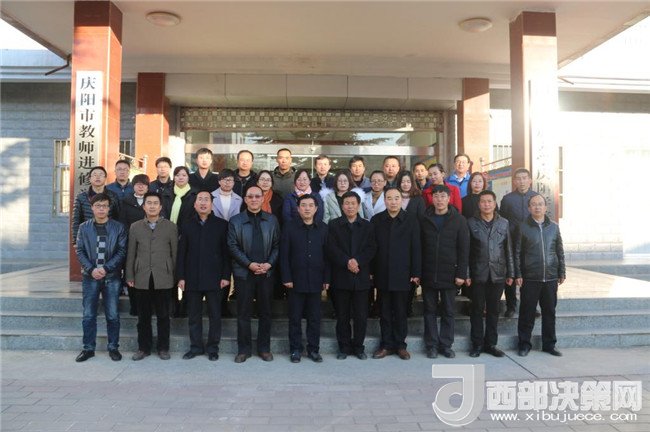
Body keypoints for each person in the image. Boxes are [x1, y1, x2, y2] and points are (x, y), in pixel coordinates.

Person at [227, 185, 281, 363]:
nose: (254, 199)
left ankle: (264, 349)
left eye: (257, 196)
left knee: (265, 312)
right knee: (243, 313)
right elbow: (232, 246)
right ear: (245, 199)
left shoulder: (272, 220)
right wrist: (249, 264)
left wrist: (269, 264)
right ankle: (244, 350)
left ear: (262, 198)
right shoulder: (236, 221)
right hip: (244, 273)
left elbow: (277, 245)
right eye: (250, 196)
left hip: (266, 273)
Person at [177, 191, 231, 361]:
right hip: (192, 277)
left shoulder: (222, 225)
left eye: (206, 200)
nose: (203, 203)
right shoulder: (187, 225)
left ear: (211, 204)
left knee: (215, 315)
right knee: (194, 315)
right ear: (194, 204)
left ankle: (213, 348)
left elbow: (226, 253)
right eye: (199, 200)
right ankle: (196, 347)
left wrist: (225, 276)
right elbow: (181, 253)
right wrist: (181, 277)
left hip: (215, 277)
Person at [74, 193, 127, 362]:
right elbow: (80, 251)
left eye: (104, 206)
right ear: (92, 208)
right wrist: (91, 269)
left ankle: (113, 347)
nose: (101, 209)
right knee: (89, 314)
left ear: (109, 208)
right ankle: (88, 348)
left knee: (112, 314)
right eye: (98, 206)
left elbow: (122, 251)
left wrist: (105, 268)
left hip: (111, 276)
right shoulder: (84, 227)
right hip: (90, 277)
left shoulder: (118, 227)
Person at [126, 192, 178, 361]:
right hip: (141, 276)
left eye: (156, 203)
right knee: (143, 316)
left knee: (163, 316)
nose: (152, 206)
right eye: (149, 203)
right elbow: (131, 253)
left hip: (164, 276)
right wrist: (129, 275)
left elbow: (175, 253)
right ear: (144, 206)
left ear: (161, 207)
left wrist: (176, 276)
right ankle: (143, 348)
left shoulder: (170, 227)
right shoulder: (135, 227)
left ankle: (163, 348)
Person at [370, 188, 421, 360]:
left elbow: (416, 247)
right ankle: (386, 345)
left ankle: (400, 345)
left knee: (400, 311)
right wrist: (371, 271)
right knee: (384, 311)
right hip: (382, 272)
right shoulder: (377, 220)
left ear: (401, 200)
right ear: (384, 200)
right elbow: (372, 247)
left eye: (396, 198)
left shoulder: (411, 220)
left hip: (403, 273)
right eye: (389, 198)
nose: (393, 202)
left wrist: (416, 272)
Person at [419, 185, 469, 359]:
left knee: (448, 311)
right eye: (436, 196)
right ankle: (431, 345)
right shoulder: (424, 219)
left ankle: (446, 345)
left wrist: (461, 273)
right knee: (429, 311)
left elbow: (464, 249)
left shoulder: (459, 220)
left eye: (443, 196)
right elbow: (419, 247)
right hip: (429, 272)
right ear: (432, 199)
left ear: (449, 198)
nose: (439, 200)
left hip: (450, 273)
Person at [327, 191, 377, 360]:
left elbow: (372, 248)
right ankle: (344, 347)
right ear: (342, 206)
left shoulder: (367, 225)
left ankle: (359, 347)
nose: (350, 206)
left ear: (358, 205)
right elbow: (331, 248)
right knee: (342, 316)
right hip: (341, 276)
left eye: (353, 203)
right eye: (346, 203)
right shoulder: (333, 225)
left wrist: (357, 261)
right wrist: (347, 261)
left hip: (361, 276)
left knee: (361, 316)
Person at [280, 194, 330, 363]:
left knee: (314, 318)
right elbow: (284, 255)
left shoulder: (323, 228)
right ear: (298, 208)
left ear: (316, 209)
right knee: (294, 318)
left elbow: (327, 256)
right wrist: (286, 277)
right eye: (303, 205)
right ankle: (295, 350)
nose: (307, 208)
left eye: (310, 205)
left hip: (316, 280)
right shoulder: (289, 227)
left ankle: (313, 349)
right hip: (295, 280)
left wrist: (327, 278)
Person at [515, 195, 566, 357]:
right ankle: (524, 344)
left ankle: (549, 345)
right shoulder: (522, 227)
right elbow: (517, 252)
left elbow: (559, 251)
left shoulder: (554, 227)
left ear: (545, 207)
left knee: (549, 312)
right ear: (529, 208)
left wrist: (561, 272)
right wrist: (518, 273)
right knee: (527, 313)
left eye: (540, 204)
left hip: (550, 277)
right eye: (534, 204)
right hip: (530, 277)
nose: (537, 207)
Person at [466, 190, 514, 358]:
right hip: (478, 273)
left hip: (498, 273)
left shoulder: (504, 223)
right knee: (477, 310)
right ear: (478, 204)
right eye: (483, 201)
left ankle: (491, 344)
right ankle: (477, 344)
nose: (486, 204)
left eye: (489, 201)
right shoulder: (471, 223)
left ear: (495, 204)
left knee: (494, 311)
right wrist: (467, 274)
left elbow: (508, 250)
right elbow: (466, 251)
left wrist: (511, 273)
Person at [499, 168, 539, 318]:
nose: (522, 181)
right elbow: (502, 220)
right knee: (510, 274)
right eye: (518, 178)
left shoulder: (536, 198)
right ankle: (511, 306)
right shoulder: (507, 199)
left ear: (530, 180)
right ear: (514, 181)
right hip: (512, 242)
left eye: (524, 178)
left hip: (531, 243)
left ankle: (531, 306)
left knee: (530, 276)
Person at [118, 173, 150, 316]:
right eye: (138, 184)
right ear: (133, 186)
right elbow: (122, 222)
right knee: (131, 273)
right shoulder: (126, 201)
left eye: (144, 184)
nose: (141, 187)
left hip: (149, 243)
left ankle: (147, 306)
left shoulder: (152, 201)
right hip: (131, 242)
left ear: (148, 187)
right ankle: (134, 306)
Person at [72, 166, 120, 249]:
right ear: (90, 179)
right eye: (94, 175)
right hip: (88, 236)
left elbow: (118, 218)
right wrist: (76, 241)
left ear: (105, 179)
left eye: (101, 175)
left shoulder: (113, 196)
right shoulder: (81, 197)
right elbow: (76, 220)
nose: (98, 177)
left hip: (108, 236)